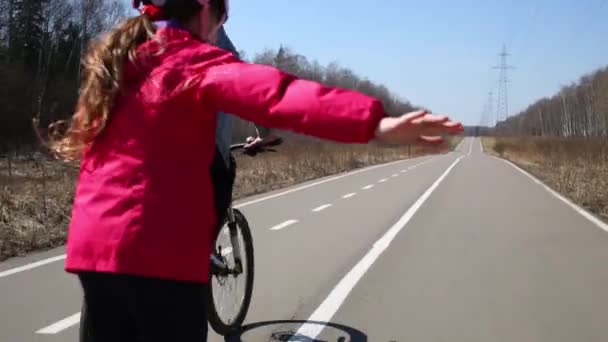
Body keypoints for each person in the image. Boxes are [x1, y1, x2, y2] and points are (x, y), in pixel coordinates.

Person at [49, 0, 463, 341]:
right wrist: (376, 124)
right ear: (208, 11)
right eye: (224, 16)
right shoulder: (195, 62)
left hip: (92, 249)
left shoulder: (115, 64)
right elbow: (278, 94)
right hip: (159, 255)